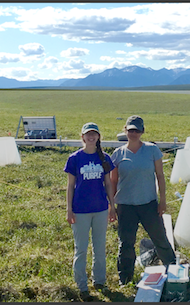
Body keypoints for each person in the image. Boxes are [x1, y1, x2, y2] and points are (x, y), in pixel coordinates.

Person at [110, 115, 176, 285]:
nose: (134, 133)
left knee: (160, 238)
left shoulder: (152, 150)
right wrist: (111, 206)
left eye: (137, 130)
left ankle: (174, 271)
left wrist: (162, 201)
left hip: (149, 204)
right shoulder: (118, 154)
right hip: (125, 205)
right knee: (126, 243)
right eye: (131, 130)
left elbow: (160, 176)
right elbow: (113, 182)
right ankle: (125, 278)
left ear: (142, 131)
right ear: (125, 130)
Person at [64, 122, 116, 301]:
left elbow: (108, 184)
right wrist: (69, 209)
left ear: (99, 137)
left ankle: (99, 281)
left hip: (101, 209)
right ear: (82, 137)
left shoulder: (105, 158)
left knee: (100, 247)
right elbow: (70, 186)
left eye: (94, 134)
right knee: (81, 249)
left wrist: (112, 206)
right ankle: (82, 286)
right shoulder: (74, 158)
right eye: (88, 134)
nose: (91, 137)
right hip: (80, 211)